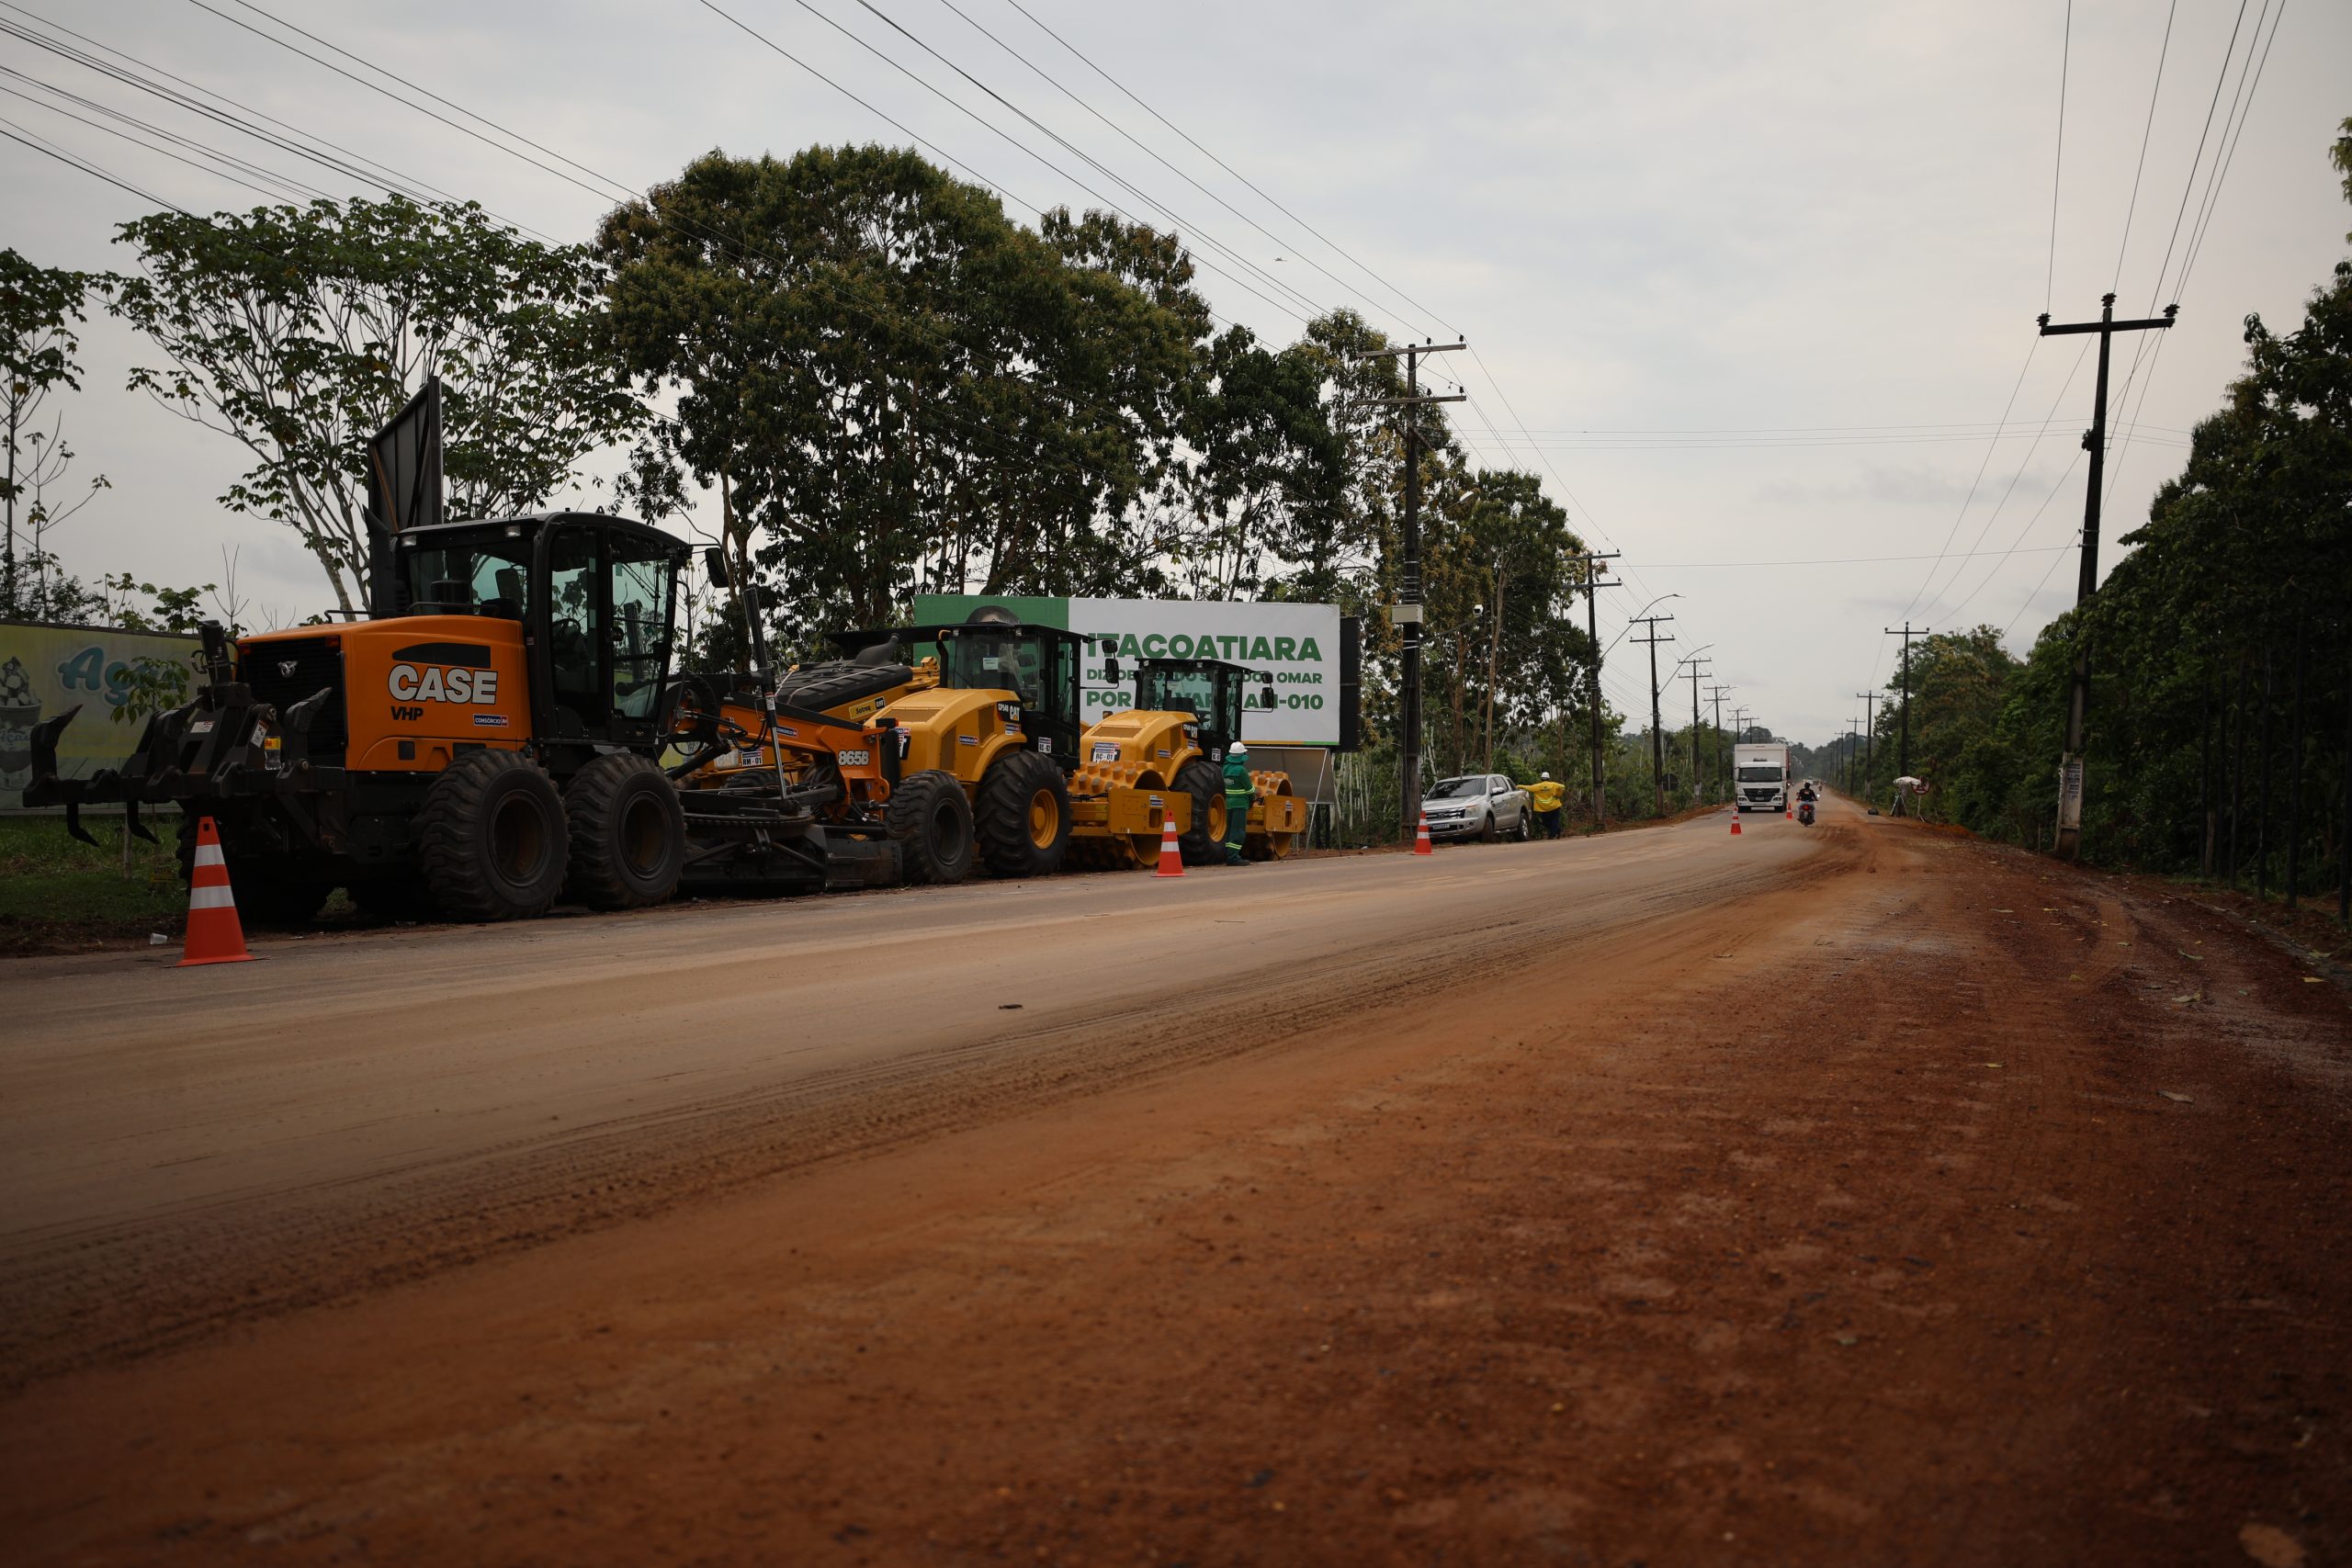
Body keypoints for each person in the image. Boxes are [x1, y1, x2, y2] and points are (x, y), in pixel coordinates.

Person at [1221, 741, 1255, 865]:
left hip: (1229, 803)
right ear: (1242, 755)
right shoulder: (1241, 770)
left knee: (1230, 831)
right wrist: (1252, 800)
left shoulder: (1225, 769)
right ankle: (1233, 858)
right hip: (1240, 804)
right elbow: (1250, 790)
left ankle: (1229, 855)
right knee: (1238, 831)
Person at [1527, 770, 1566, 839]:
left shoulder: (1537, 786)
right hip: (1555, 806)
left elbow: (1528, 788)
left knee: (1545, 821)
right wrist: (1558, 795)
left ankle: (1552, 835)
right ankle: (1556, 830)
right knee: (1554, 820)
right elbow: (1562, 787)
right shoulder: (1553, 784)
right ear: (1549, 778)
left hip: (1545, 808)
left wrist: (1518, 786)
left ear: (1541, 778)